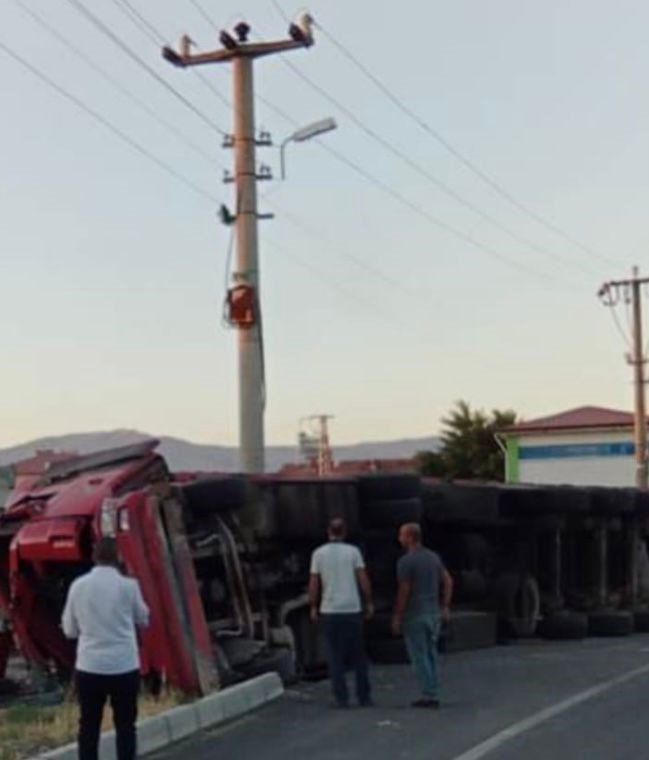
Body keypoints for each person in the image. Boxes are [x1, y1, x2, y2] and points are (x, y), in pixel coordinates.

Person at [62, 537, 149, 760]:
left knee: (89, 726)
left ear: (94, 557)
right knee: (126, 726)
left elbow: (69, 629)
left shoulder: (78, 586)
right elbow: (143, 618)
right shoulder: (129, 586)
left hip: (90, 667)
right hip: (124, 665)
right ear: (118, 557)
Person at [309, 517, 374, 708]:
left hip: (330, 610)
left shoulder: (318, 554)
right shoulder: (353, 552)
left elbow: (314, 582)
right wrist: (368, 601)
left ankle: (341, 698)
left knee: (335, 655)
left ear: (328, 531)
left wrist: (313, 605)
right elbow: (363, 579)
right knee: (358, 655)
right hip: (352, 608)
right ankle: (364, 697)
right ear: (344, 532)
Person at [392, 522, 453, 708]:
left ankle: (429, 694)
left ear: (410, 537)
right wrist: (445, 605)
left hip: (415, 613)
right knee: (431, 652)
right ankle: (433, 688)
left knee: (419, 655)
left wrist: (397, 616)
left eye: (402, 535)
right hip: (433, 612)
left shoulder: (405, 562)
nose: (399, 538)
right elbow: (448, 581)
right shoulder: (434, 557)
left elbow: (404, 590)